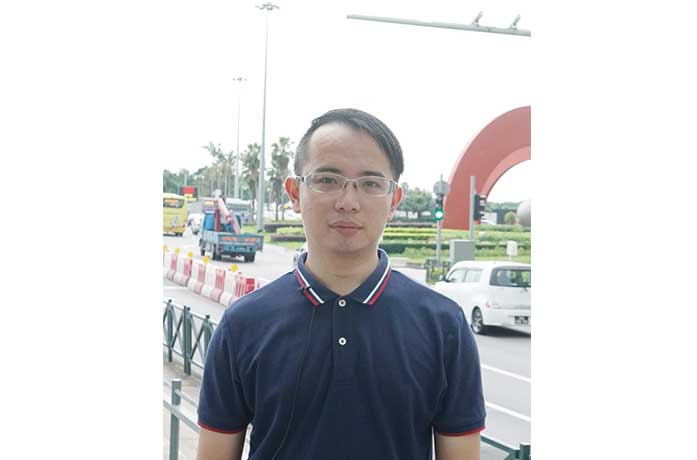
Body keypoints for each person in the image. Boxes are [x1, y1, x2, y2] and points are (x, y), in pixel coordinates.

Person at [196, 108, 486, 460]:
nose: (348, 202)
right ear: (294, 193)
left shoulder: (444, 326)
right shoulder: (243, 324)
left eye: (371, 184)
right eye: (328, 180)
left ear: (393, 201)